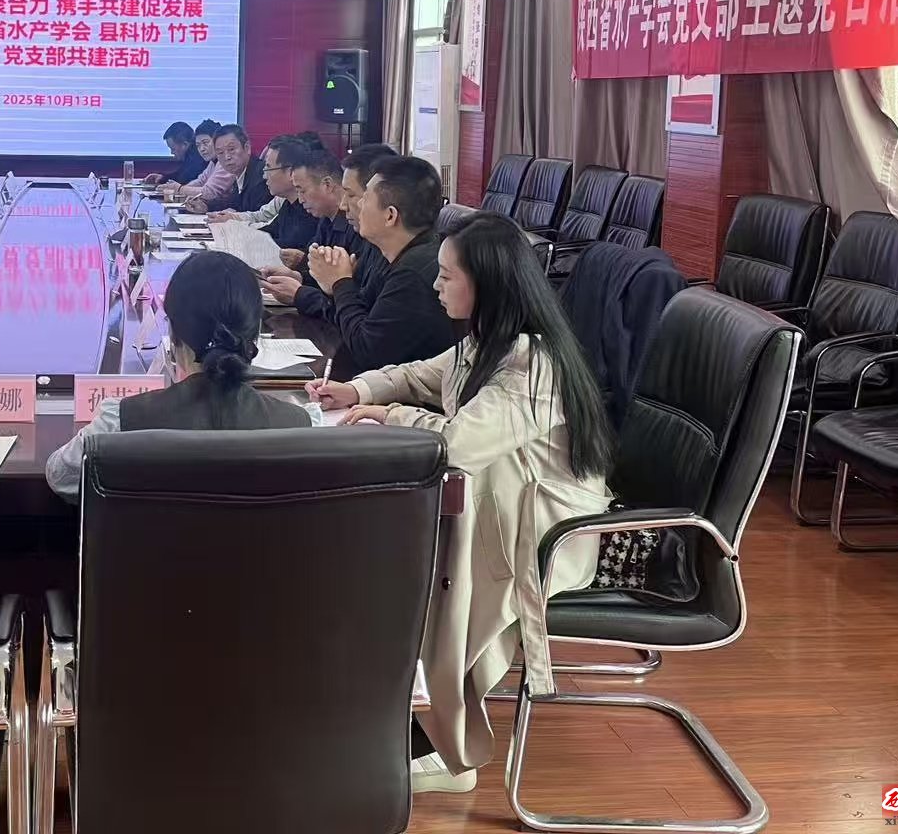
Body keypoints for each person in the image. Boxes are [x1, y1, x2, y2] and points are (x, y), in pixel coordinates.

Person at [310, 213, 615, 792]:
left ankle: (447, 752)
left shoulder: (531, 362)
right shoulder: (488, 341)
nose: (436, 284)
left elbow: (456, 443)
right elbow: (422, 376)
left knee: (432, 577)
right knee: (409, 563)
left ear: (487, 284)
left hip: (545, 539)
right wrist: (358, 389)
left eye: (447, 275)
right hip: (505, 516)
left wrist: (391, 414)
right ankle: (398, 712)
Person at [45, 251, 318, 500]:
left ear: (173, 333)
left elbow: (60, 476)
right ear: (254, 334)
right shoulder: (303, 428)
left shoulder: (121, 422)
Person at [296, 154, 454, 381]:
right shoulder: (387, 255)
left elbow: (366, 351)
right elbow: (358, 319)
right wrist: (333, 288)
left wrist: (341, 283)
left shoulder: (414, 274)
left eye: (364, 199)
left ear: (390, 216)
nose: (344, 205)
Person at [262, 147, 364, 306]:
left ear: (327, 185)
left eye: (302, 191)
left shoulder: (357, 227)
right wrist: (297, 277)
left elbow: (345, 296)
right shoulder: (325, 219)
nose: (300, 199)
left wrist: (300, 294)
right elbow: (320, 276)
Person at [208, 134, 320, 254]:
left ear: (291, 172)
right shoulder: (288, 204)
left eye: (268, 168)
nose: (264, 175)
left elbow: (284, 246)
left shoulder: (311, 210)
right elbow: (268, 232)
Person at [189, 123, 266, 214]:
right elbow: (233, 204)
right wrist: (206, 207)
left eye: (231, 149)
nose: (227, 157)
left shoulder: (262, 176)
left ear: (247, 148)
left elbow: (258, 216)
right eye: (220, 153)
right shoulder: (239, 174)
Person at [159, 119, 228, 204]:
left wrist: (179, 189)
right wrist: (178, 190)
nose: (202, 149)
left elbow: (210, 192)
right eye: (198, 145)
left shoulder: (226, 161)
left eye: (205, 143)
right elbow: (200, 181)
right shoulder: (213, 161)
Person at [152, 120, 206, 185]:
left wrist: (163, 179)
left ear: (185, 144)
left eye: (173, 149)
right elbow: (180, 174)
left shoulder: (197, 158)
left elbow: (183, 180)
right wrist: (162, 177)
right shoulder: (191, 154)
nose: (172, 152)